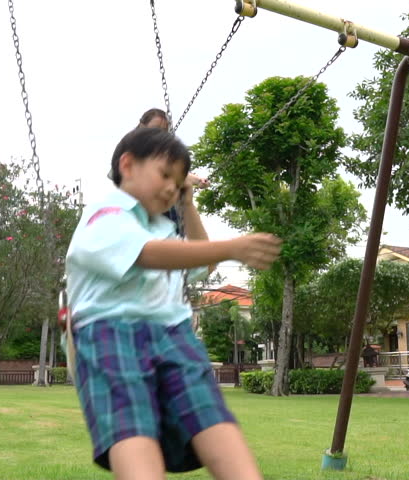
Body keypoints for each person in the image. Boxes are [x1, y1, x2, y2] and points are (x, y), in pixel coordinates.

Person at [66, 127, 281, 479]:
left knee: (208, 410)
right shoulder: (106, 212)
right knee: (131, 420)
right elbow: (147, 255)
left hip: (173, 332)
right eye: (165, 175)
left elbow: (199, 262)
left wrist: (187, 203)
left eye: (178, 181)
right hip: (111, 331)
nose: (170, 187)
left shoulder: (163, 229)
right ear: (128, 165)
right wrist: (232, 247)